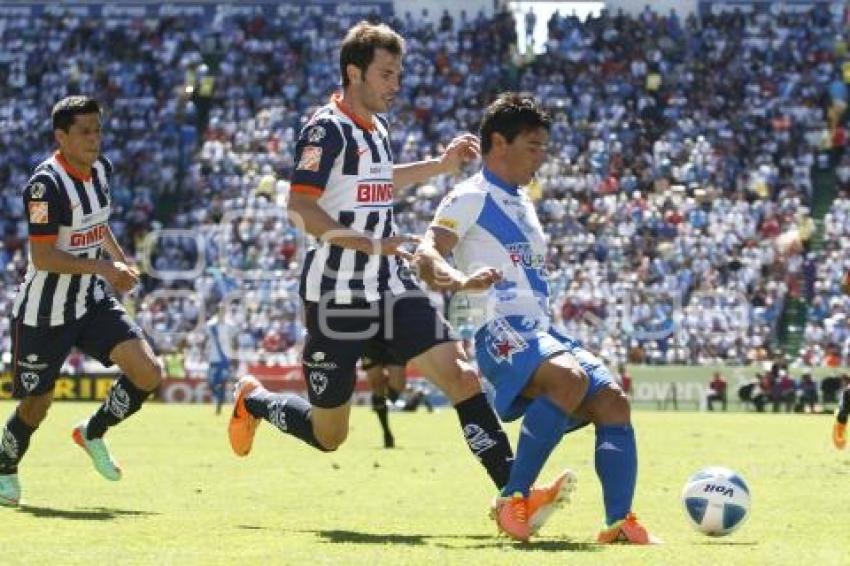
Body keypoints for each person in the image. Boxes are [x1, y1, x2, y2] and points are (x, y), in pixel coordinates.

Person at [226, 22, 569, 527]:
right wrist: (368, 243)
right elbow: (300, 207)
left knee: (462, 376)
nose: (395, 84)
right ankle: (255, 401)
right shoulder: (325, 130)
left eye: (398, 74)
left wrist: (440, 164)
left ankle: (513, 497)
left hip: (390, 283)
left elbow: (377, 182)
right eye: (386, 74)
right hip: (336, 295)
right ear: (354, 72)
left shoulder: (377, 128)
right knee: (329, 435)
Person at [413, 93, 658, 544]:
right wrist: (460, 280)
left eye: (545, 146)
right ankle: (513, 499)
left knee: (613, 402)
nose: (542, 157)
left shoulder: (523, 202)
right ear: (499, 143)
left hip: (540, 330)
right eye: (534, 146)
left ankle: (618, 524)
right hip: (498, 331)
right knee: (567, 377)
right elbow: (427, 254)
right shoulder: (469, 197)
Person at [0, 96, 164, 507]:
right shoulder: (44, 185)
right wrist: (106, 271)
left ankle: (92, 431)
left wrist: (120, 260)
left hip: (89, 299)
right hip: (45, 309)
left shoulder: (102, 169)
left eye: (98, 130)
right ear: (62, 137)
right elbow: (43, 257)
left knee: (148, 371)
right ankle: (5, 466)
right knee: (38, 402)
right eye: (84, 132)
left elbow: (98, 222)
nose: (95, 139)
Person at [361, 340, 406, 448]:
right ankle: (386, 432)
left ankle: (386, 392)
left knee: (397, 387)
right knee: (376, 385)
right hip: (369, 336)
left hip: (394, 335)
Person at [206, 315, 233, 415]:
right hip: (213, 360)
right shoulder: (212, 327)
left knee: (222, 384)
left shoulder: (228, 326)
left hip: (224, 360)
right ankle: (218, 397)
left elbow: (234, 328)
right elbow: (208, 325)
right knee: (211, 383)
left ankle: (219, 407)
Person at [833, 375, 850, 449]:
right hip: (844, 410)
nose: (841, 382)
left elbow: (844, 405)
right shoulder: (845, 389)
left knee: (840, 429)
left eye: (842, 381)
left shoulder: (847, 390)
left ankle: (840, 443)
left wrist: (841, 412)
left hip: (844, 411)